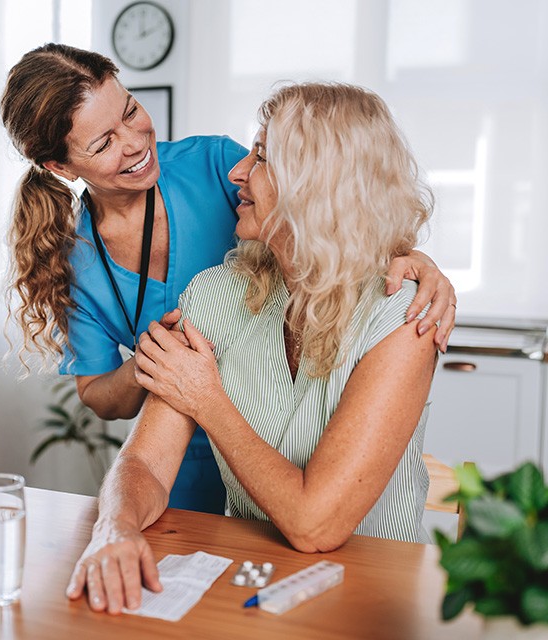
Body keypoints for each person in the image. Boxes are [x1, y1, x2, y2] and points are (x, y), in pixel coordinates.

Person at [0, 43, 455, 517]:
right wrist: (158, 364)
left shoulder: (214, 165)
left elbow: (320, 193)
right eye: (103, 143)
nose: (134, 142)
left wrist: (413, 260)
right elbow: (104, 402)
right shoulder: (78, 260)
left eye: (131, 111)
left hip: (273, 444)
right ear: (60, 166)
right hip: (185, 459)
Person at [65, 82, 441, 615]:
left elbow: (316, 525)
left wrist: (206, 398)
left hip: (376, 595)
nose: (237, 172)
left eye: (262, 157)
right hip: (248, 588)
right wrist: (114, 527)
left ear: (319, 184)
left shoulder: (402, 316)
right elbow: (145, 463)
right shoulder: (216, 294)